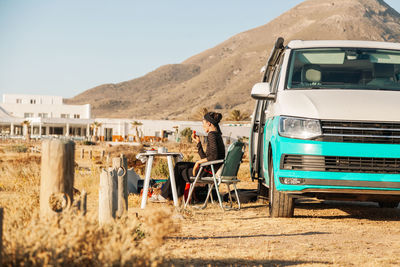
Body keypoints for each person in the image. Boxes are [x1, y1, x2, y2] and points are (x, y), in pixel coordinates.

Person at [149, 112, 225, 203]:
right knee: (179, 166)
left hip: (206, 172)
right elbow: (206, 157)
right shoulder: (217, 134)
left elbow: (213, 156)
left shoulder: (212, 135)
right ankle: (173, 198)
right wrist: (198, 143)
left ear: (209, 123)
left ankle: (165, 196)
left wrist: (198, 163)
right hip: (209, 169)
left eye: (203, 123)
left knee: (181, 171)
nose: (203, 126)